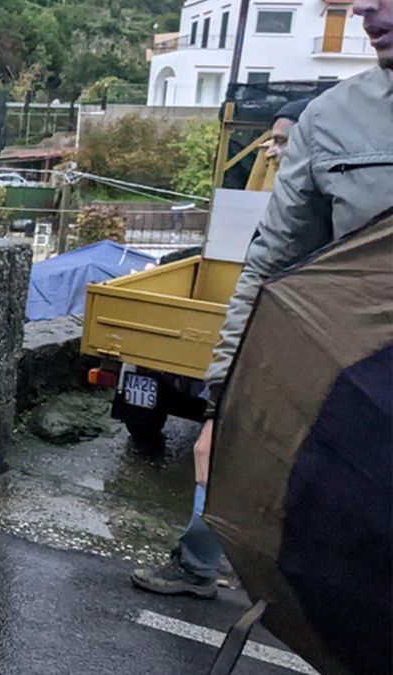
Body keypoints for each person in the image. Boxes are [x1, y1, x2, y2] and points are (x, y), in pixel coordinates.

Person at [131, 0, 393, 600]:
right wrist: (223, 405)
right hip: (362, 397)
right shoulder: (334, 119)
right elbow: (269, 266)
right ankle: (200, 565)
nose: (361, 8)